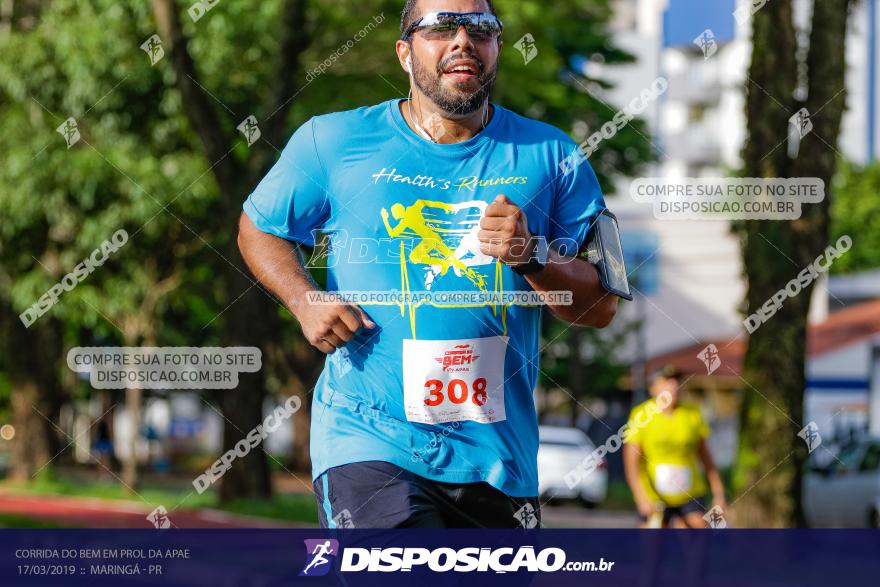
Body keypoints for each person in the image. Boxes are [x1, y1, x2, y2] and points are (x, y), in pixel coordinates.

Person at [238, 0, 621, 528]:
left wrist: (533, 255)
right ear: (404, 52)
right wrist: (304, 299)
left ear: (497, 49)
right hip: (369, 440)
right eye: (441, 27)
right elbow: (260, 227)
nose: (463, 40)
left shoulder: (552, 156)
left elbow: (599, 307)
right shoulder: (334, 141)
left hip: (498, 462)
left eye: (481, 29)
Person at [623, 366, 727, 528]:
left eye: (675, 381)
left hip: (689, 494)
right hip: (655, 496)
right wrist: (641, 497)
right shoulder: (641, 414)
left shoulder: (692, 414)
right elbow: (631, 461)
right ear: (653, 388)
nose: (673, 386)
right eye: (666, 382)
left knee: (699, 537)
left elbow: (706, 458)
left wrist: (718, 494)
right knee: (653, 549)